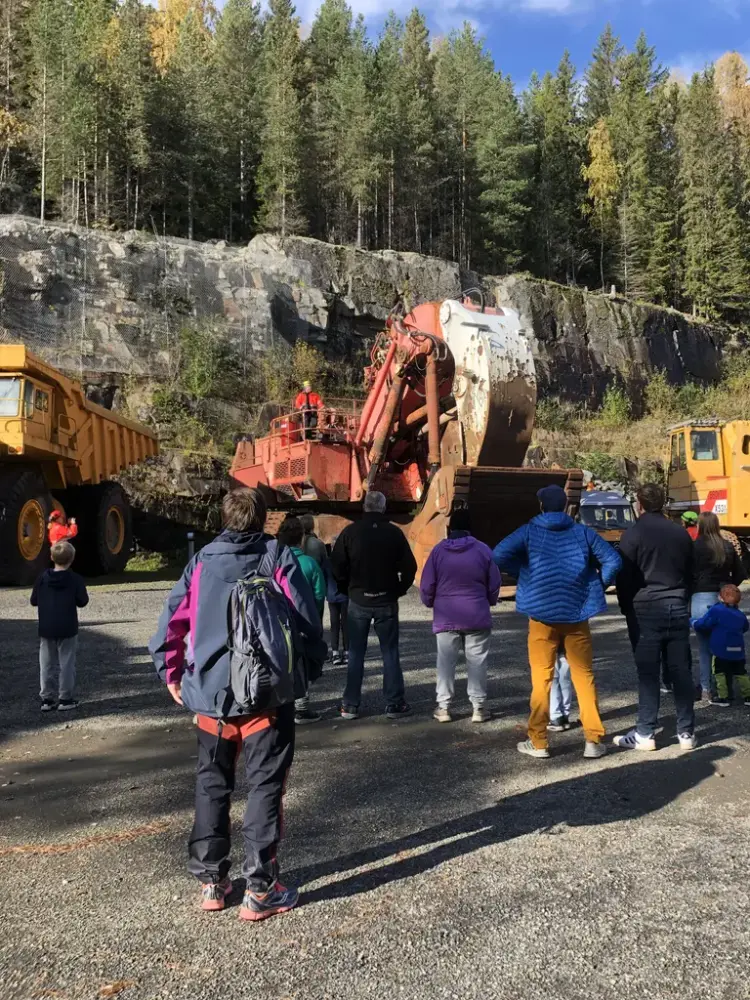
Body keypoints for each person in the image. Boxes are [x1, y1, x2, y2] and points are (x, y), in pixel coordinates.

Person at [149, 487, 322, 920]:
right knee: (265, 786)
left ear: (223, 518)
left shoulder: (202, 561)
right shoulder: (278, 557)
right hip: (267, 695)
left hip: (211, 697)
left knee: (212, 785)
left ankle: (213, 882)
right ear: (262, 518)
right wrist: (305, 675)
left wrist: (172, 673)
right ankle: (261, 888)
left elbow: (173, 620)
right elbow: (307, 621)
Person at [493, 484, 621, 760]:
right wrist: (598, 582)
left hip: (541, 617)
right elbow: (613, 560)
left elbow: (498, 555)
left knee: (542, 678)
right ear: (565, 507)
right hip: (577, 615)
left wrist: (526, 573)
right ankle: (593, 741)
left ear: (541, 506)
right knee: (584, 677)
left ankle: (538, 742)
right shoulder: (582, 532)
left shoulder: (528, 531)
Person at [615, 483, 697, 752]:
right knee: (680, 671)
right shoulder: (680, 534)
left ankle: (645, 733)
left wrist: (626, 607)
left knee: (648, 674)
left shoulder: (633, 534)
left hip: (645, 608)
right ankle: (686, 733)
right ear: (662, 502)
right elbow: (692, 572)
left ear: (639, 503)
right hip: (676, 605)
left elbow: (624, 576)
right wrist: (684, 599)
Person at [331, 490, 417, 720]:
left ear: (364, 507)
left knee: (356, 653)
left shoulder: (350, 532)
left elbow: (337, 565)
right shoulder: (394, 533)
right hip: (386, 599)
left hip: (358, 599)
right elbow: (410, 567)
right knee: (390, 653)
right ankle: (394, 703)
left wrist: (345, 588)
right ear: (383, 507)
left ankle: (350, 704)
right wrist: (399, 590)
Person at [419, 504, 501, 723]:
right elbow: (494, 582)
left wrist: (429, 602)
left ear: (449, 527)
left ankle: (443, 707)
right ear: (470, 529)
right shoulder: (483, 549)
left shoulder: (438, 551)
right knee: (477, 662)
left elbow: (427, 584)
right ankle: (479, 708)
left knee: (446, 662)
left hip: (446, 615)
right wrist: (489, 601)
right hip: (476, 614)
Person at [691, 511, 745, 700]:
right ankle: (726, 687)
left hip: (701, 596)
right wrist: (730, 590)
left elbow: (686, 574)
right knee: (726, 643)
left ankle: (706, 689)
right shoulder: (728, 546)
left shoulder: (694, 546)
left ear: (700, 525)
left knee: (704, 648)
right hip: (724, 597)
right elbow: (740, 574)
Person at [277, 516, 326, 725]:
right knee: (303, 664)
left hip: (278, 624)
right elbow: (318, 596)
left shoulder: (273, 563)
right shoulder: (309, 564)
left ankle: (280, 706)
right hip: (304, 623)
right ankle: (302, 708)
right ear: (301, 539)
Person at [31, 540, 88, 712]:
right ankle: (65, 698)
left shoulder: (42, 578)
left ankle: (46, 699)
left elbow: (34, 601)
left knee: (46, 664)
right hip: (68, 627)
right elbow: (82, 601)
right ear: (72, 559)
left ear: (51, 557)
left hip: (47, 627)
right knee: (67, 663)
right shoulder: (75, 579)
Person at [692, 583, 750, 707]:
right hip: (738, 650)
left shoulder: (716, 610)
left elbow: (704, 625)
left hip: (720, 649)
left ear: (721, 598)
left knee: (719, 673)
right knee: (741, 673)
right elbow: (745, 627)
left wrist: (692, 621)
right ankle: (747, 696)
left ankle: (723, 697)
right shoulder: (740, 614)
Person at [327, 535, 349, 666]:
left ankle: (335, 652)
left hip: (331, 596)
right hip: (345, 596)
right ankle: (347, 651)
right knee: (346, 624)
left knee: (334, 624)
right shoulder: (347, 561)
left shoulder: (327, 561)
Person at [548, 646, 574, 732]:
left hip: (550, 643)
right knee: (565, 679)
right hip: (568, 643)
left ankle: (556, 716)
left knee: (553, 680)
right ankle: (565, 715)